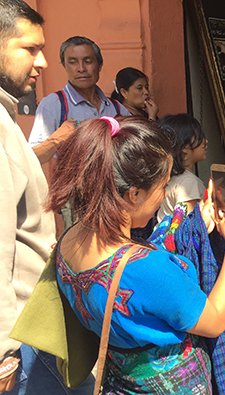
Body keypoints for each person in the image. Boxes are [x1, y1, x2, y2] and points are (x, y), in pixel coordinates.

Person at [46, 116, 225, 393]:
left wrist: (193, 223)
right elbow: (214, 321)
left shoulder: (68, 241)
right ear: (135, 194)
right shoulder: (147, 270)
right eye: (162, 186)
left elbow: (137, 265)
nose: (164, 194)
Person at [0, 1, 93, 394]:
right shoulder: (45, 108)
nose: (40, 62)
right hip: (25, 330)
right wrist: (5, 349)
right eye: (29, 49)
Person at [28, 35, 131, 165]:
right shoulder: (54, 104)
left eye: (88, 61)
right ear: (65, 66)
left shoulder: (116, 108)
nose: (81, 68)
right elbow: (31, 159)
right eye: (73, 62)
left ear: (99, 66)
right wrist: (58, 138)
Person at [155, 113, 208, 222]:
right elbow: (190, 230)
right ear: (184, 147)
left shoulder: (169, 177)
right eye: (200, 137)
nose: (205, 141)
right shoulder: (188, 182)